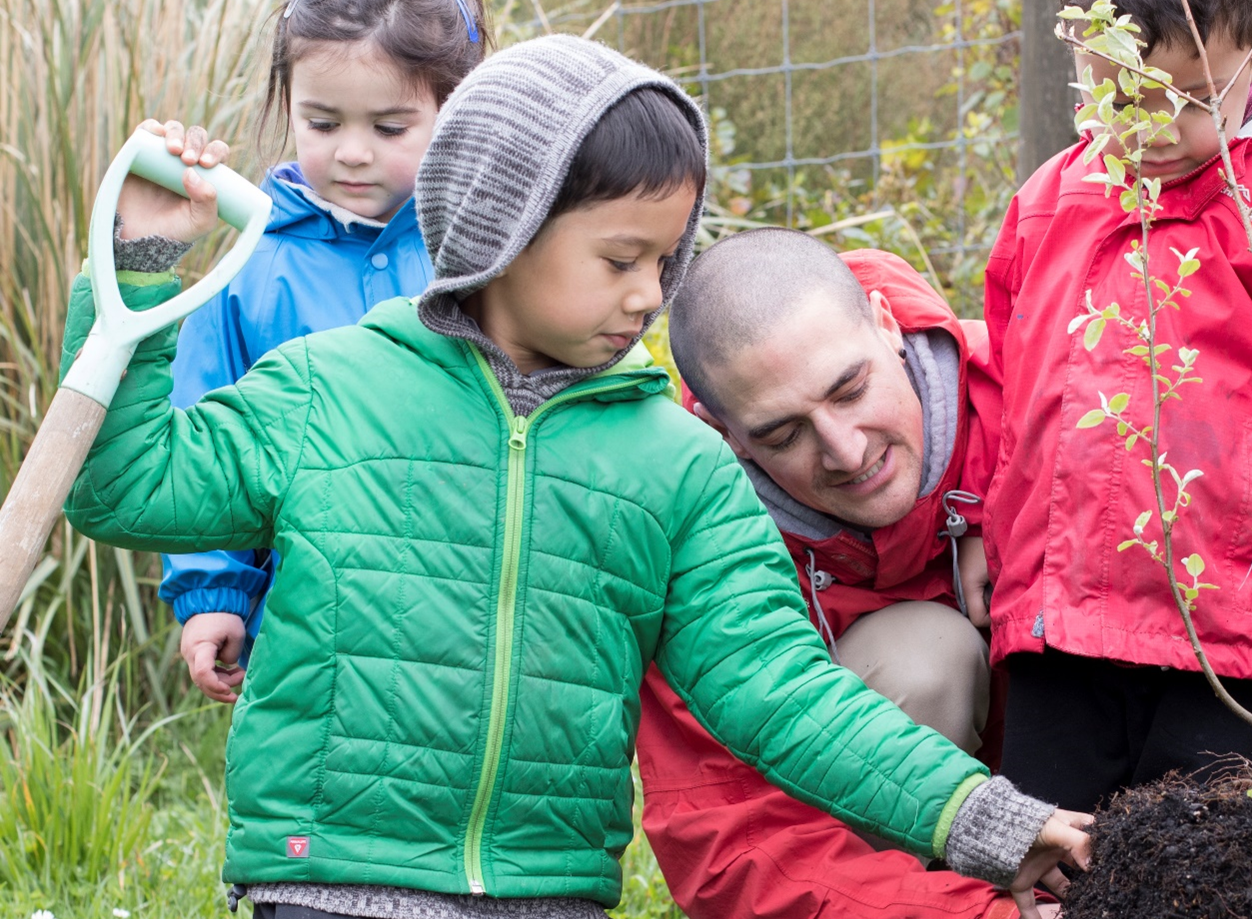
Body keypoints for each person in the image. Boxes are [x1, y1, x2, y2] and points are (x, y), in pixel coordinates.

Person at [61, 36, 1090, 919]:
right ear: (504, 227)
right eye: (619, 258)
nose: (651, 293)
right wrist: (138, 268)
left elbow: (780, 694)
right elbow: (126, 483)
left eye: (663, 257)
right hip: (328, 879)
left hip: (541, 886)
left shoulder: (677, 463)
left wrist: (983, 820)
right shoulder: (333, 390)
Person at [973, 0, 1252, 814]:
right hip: (1061, 635)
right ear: (1076, 45)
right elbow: (1009, 399)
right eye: (1123, 93)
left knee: (1205, 862)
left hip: (1234, 647)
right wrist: (999, 549)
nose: (1157, 127)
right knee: (1047, 860)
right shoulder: (1047, 206)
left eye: (1194, 96)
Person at [637, 228, 1034, 919]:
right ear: (725, 434)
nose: (846, 452)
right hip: (896, 881)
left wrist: (1009, 526)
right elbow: (730, 842)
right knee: (923, 657)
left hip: (1078, 791)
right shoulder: (696, 544)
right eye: (783, 434)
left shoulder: (1031, 399)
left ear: (885, 324)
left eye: (849, 390)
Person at [158, 0, 487, 705]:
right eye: (322, 122)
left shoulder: (484, 256)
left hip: (476, 615)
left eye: (390, 127)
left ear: (455, 109)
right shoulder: (249, 270)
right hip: (309, 630)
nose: (352, 151)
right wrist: (214, 589)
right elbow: (206, 438)